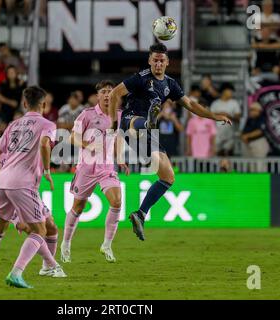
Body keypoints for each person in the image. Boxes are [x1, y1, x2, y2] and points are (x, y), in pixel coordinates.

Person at [109, 43, 231, 241]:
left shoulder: (170, 84)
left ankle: (140, 214)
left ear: (167, 62)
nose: (158, 63)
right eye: (154, 60)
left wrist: (214, 116)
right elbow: (115, 93)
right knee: (135, 123)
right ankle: (148, 121)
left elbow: (190, 105)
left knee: (168, 177)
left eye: (161, 60)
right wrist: (113, 123)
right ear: (149, 61)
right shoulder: (140, 78)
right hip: (129, 122)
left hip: (147, 135)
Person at [0, 86, 66, 288]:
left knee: (47, 225)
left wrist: (0, 175)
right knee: (38, 230)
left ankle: (48, 266)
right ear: (44, 104)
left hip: (4, 181)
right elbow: (44, 144)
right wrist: (48, 170)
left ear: (24, 104)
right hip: (23, 183)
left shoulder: (13, 124)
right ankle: (16, 273)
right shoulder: (47, 123)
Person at [61, 80, 129, 264]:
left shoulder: (120, 116)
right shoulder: (87, 115)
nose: (107, 95)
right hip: (86, 168)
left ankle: (107, 244)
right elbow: (73, 137)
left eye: (110, 91)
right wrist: (87, 144)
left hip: (106, 167)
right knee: (78, 207)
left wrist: (120, 158)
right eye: (104, 92)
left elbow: (119, 137)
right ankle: (66, 243)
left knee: (116, 202)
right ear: (97, 96)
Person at [210, 82, 241, 156]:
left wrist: (228, 116)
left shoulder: (234, 103)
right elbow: (209, 118)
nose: (231, 93)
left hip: (230, 134)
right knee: (217, 156)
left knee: (228, 156)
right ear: (224, 91)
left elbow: (238, 118)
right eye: (230, 91)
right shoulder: (215, 104)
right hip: (217, 134)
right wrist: (219, 115)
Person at [241, 102, 270, 171]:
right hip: (249, 143)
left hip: (259, 143)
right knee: (251, 166)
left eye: (252, 110)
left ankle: (261, 181)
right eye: (250, 109)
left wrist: (247, 136)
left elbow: (260, 131)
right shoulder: (249, 119)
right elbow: (243, 131)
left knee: (259, 165)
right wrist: (243, 136)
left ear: (258, 110)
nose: (250, 111)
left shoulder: (262, 118)